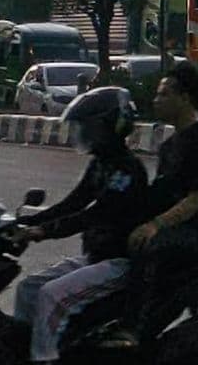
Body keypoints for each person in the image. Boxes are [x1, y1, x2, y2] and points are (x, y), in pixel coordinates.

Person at [12, 87, 146, 364]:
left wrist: (44, 232)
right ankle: (18, 354)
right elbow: (73, 203)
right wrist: (25, 220)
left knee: (51, 296)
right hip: (94, 259)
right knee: (28, 289)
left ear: (111, 127)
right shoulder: (101, 164)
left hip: (118, 263)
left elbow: (94, 214)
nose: (85, 133)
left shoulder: (127, 170)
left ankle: (44, 358)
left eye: (90, 127)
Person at [105, 61, 198, 349]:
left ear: (185, 98)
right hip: (177, 228)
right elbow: (160, 195)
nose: (156, 100)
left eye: (163, 94)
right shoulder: (170, 146)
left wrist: (155, 225)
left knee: (149, 246)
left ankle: (133, 329)